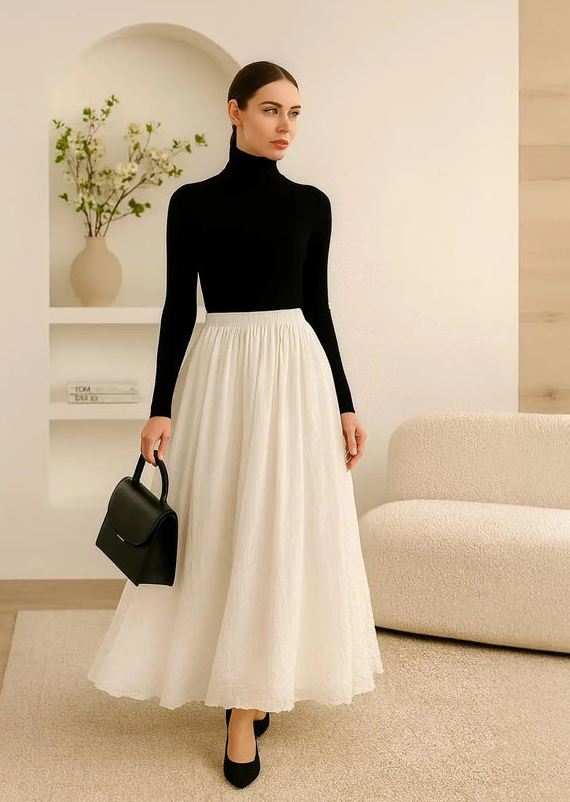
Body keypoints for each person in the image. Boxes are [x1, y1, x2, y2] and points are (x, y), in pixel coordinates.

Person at [87, 60, 384, 789]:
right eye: (270, 110)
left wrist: (344, 401)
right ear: (234, 112)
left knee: (282, 526)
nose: (284, 125)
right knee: (223, 525)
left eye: (293, 113)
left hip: (295, 373)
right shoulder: (190, 204)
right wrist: (158, 405)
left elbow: (317, 308)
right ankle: (241, 684)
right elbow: (175, 310)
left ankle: (246, 701)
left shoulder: (312, 204)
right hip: (217, 369)